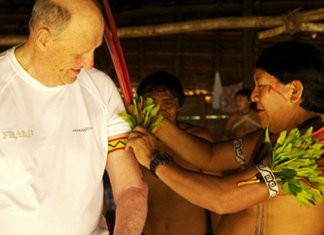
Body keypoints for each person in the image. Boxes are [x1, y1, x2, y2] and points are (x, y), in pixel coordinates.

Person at [127, 41, 324, 235]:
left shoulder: (312, 152)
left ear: (294, 91)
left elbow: (222, 199)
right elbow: (210, 156)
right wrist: (154, 120)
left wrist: (154, 160)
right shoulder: (266, 139)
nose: (253, 96)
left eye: (261, 85)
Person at [0, 0, 148, 234]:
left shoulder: (100, 89)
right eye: (79, 52)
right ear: (43, 39)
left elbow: (130, 187)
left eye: (94, 50)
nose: (89, 64)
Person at [136, 71, 216, 235]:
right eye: (151, 103)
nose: (159, 110)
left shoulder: (199, 139)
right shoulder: (134, 143)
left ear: (179, 105)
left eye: (167, 104)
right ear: (140, 105)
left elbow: (217, 197)